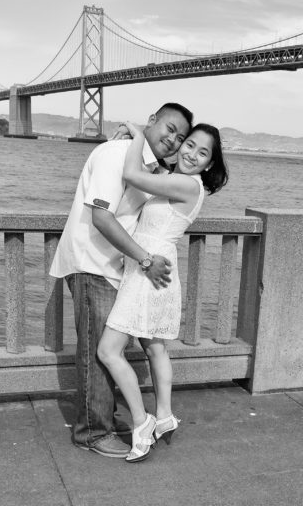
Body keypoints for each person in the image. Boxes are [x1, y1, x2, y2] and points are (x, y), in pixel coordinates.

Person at [49, 103, 193, 458]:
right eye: (169, 129)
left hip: (116, 267)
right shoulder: (115, 153)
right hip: (92, 262)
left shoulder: (148, 166)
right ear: (152, 121)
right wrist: (145, 259)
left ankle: (105, 421)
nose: (173, 140)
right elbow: (101, 217)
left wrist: (139, 137)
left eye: (181, 137)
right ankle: (93, 433)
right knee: (97, 353)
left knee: (106, 350)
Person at [97, 121, 228, 463]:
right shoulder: (182, 183)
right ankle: (166, 415)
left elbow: (131, 174)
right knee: (154, 345)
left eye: (203, 153)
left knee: (109, 351)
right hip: (155, 267)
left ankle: (142, 423)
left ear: (210, 163)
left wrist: (138, 133)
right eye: (190, 145)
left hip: (149, 271)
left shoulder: (186, 183)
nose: (192, 154)